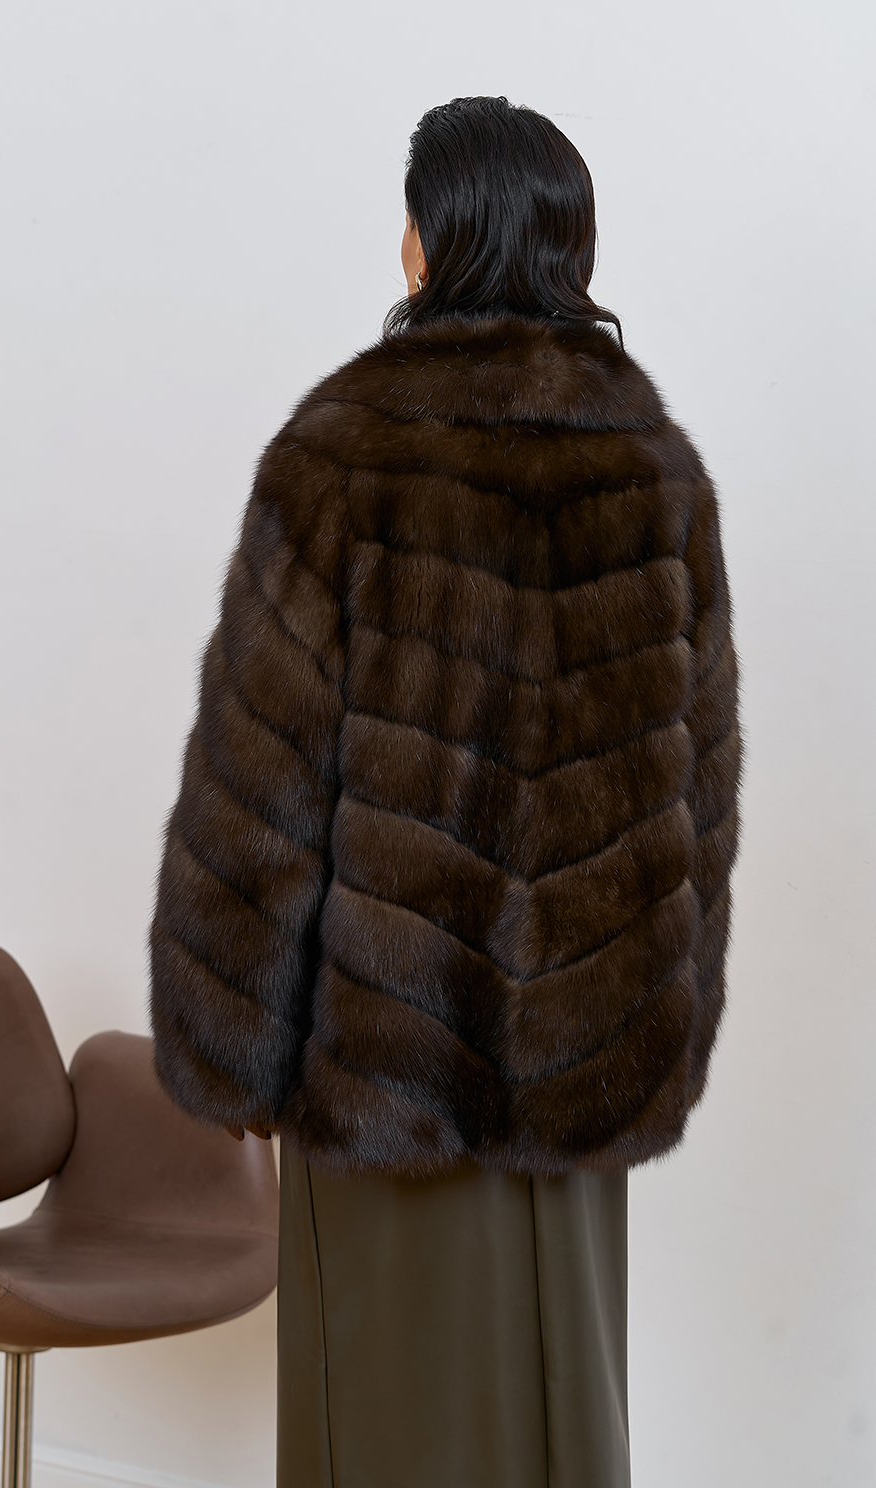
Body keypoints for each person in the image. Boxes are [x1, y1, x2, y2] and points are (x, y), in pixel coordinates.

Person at [148, 95, 743, 1488]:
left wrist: (232, 1042)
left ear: (428, 241)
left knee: (380, 1410)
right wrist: (653, 1018)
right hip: (582, 1055)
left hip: (381, 1055)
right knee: (560, 1403)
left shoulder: (342, 453)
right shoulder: (653, 466)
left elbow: (260, 780)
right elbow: (700, 793)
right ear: (570, 247)